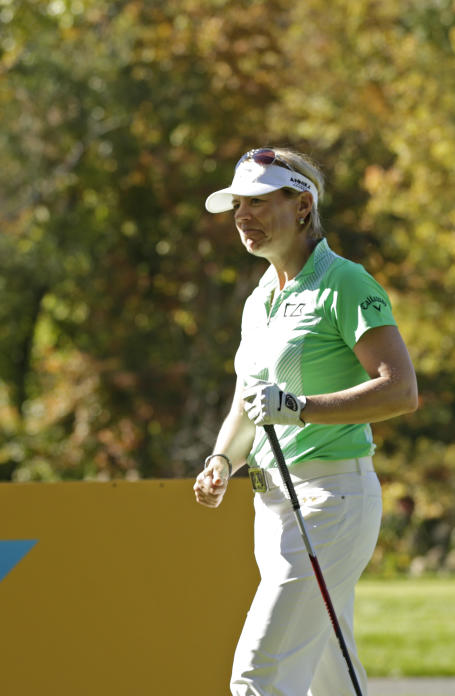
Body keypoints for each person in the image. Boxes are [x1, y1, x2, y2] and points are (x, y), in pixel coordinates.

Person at [192, 147, 418, 695]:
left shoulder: (345, 283)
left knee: (258, 673)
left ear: (301, 205)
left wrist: (301, 410)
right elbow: (249, 401)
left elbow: (401, 389)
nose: (243, 215)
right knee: (331, 678)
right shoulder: (258, 300)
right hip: (273, 509)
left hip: (330, 503)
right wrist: (223, 457)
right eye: (238, 204)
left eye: (260, 201)